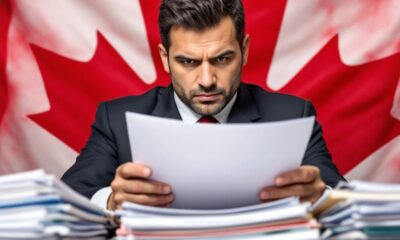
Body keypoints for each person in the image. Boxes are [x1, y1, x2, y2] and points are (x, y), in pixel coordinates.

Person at [62, 0, 345, 210]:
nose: (207, 80)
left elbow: (342, 200)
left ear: (244, 50)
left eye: (222, 59)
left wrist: (320, 198)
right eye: (188, 62)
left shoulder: (292, 116)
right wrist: (112, 200)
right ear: (164, 58)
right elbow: (68, 198)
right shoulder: (118, 119)